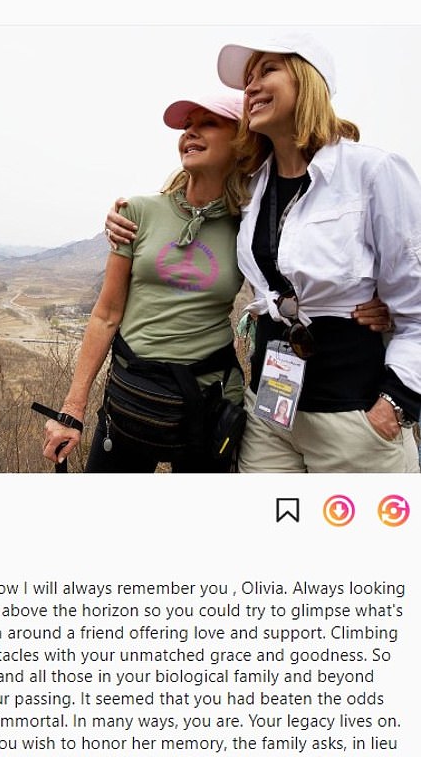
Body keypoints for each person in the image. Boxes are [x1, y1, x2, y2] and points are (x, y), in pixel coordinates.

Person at [213, 32, 421, 472]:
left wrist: (396, 404)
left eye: (267, 70)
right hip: (270, 411)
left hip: (355, 417)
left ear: (308, 82)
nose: (249, 87)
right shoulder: (252, 186)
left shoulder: (373, 171)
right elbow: (191, 187)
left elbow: (417, 307)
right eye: (247, 79)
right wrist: (126, 216)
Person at [42, 91, 246, 472]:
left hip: (210, 404)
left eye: (208, 124)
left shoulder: (249, 226)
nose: (191, 134)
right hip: (133, 398)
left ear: (241, 140)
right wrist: (73, 410)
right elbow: (106, 315)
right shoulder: (137, 212)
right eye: (187, 127)